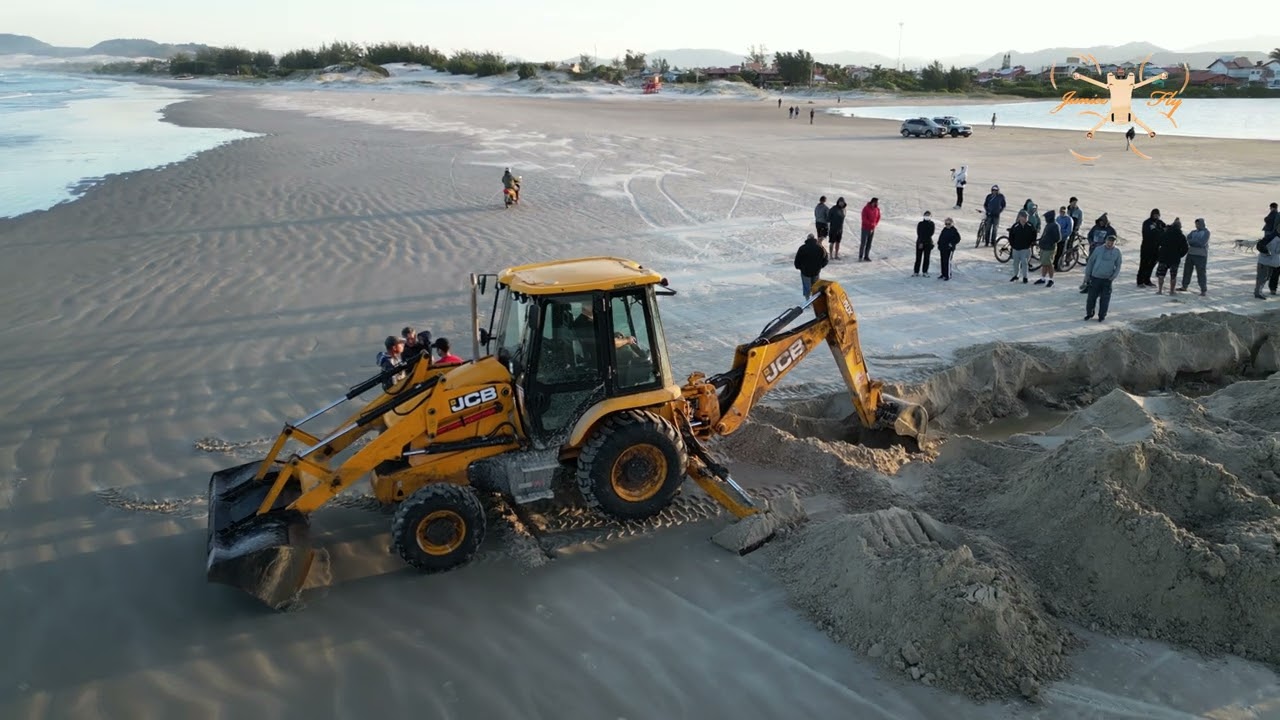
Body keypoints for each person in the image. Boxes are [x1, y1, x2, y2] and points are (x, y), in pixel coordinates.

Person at [1084, 234, 1122, 321]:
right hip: (1095, 277)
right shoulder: (1098, 249)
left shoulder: (1117, 252)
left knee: (1105, 299)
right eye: (1109, 241)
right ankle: (1089, 313)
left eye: (1112, 242)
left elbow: (1118, 265)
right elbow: (1090, 262)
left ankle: (1102, 316)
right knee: (1091, 298)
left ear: (1114, 243)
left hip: (1107, 279)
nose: (1110, 243)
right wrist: (1087, 275)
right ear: (1106, 241)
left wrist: (1113, 276)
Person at [1079, 214, 1118, 292]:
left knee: (1098, 271)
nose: (1101, 223)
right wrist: (1091, 242)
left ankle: (1097, 288)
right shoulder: (1095, 227)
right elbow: (1089, 235)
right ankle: (1086, 285)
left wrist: (1104, 245)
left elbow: (1113, 241)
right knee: (1089, 269)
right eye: (1100, 222)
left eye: (1102, 222)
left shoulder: (1110, 230)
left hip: (1103, 253)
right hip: (1093, 251)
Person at [1155, 218, 1187, 295]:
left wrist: (1160, 252)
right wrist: (1180, 255)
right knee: (1173, 276)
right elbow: (1185, 248)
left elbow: (1159, 242)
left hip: (1164, 257)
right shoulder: (1181, 236)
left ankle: (1160, 290)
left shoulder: (1165, 233)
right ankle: (1172, 291)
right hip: (1174, 258)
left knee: (1161, 275)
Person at [1179, 218, 1210, 296]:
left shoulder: (1206, 232)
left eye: (1198, 224)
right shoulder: (1193, 232)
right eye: (1196, 224)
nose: (1197, 225)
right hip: (1191, 254)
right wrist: (1194, 241)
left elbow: (1202, 243)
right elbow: (1188, 239)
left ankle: (1203, 289)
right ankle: (1184, 286)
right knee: (1187, 271)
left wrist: (1193, 241)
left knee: (1201, 273)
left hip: (1201, 255)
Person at [794, 233, 828, 298]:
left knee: (807, 287)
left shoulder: (802, 248)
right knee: (815, 287)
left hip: (805, 271)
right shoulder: (820, 248)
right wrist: (820, 266)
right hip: (816, 271)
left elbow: (797, 260)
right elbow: (825, 258)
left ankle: (807, 300)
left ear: (807, 239)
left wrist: (799, 267)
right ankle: (815, 300)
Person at [1137, 208, 1165, 287]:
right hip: (1146, 247)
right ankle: (1140, 281)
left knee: (1152, 264)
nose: (1156, 216)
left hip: (1156, 247)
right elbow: (1150, 233)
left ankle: (1147, 280)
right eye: (1154, 214)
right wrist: (1160, 231)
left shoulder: (1160, 222)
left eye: (1157, 215)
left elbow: (1166, 228)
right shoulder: (1147, 223)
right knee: (1144, 264)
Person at [1007, 211, 1036, 283]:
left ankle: (1025, 277)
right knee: (1016, 263)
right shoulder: (1015, 226)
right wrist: (1013, 245)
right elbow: (1011, 237)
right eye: (1024, 217)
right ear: (1020, 217)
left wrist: (1031, 243)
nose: (1025, 218)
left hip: (1025, 248)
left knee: (1025, 262)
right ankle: (1016, 275)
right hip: (1016, 248)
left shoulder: (1030, 225)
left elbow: (1034, 235)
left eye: (1026, 217)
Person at [1257, 229, 1280, 299]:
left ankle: (1271, 289)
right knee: (1265, 276)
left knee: (1270, 275)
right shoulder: (1272, 237)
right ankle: (1259, 292)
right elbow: (1260, 245)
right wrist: (1266, 251)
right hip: (1269, 260)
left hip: (1275, 260)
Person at [858, 197, 881, 262]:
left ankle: (866, 256)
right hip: (865, 228)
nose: (877, 204)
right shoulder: (866, 208)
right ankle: (860, 256)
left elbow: (878, 217)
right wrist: (870, 224)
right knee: (863, 242)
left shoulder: (877, 209)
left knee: (869, 243)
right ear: (872, 202)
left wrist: (875, 224)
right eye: (876, 202)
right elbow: (864, 218)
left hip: (872, 228)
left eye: (877, 202)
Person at [913, 211, 936, 277]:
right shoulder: (920, 223)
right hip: (920, 242)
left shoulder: (932, 224)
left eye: (928, 215)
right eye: (926, 215)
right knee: (918, 258)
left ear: (930, 216)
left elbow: (931, 233)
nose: (927, 216)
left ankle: (925, 271)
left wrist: (924, 241)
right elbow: (919, 233)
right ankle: (916, 271)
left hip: (928, 243)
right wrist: (921, 242)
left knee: (926, 258)